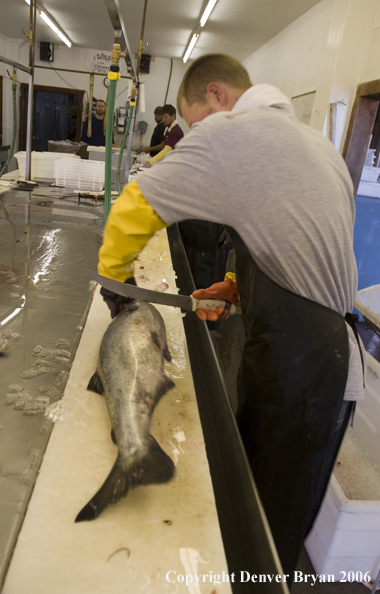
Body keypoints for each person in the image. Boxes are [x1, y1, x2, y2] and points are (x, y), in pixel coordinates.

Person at [97, 54, 365, 579]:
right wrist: (239, 287)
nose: (195, 136)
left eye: (194, 122)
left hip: (300, 367)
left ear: (216, 96)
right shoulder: (316, 145)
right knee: (272, 502)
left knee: (269, 519)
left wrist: (115, 285)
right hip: (321, 354)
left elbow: (133, 205)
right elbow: (304, 242)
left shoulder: (231, 131)